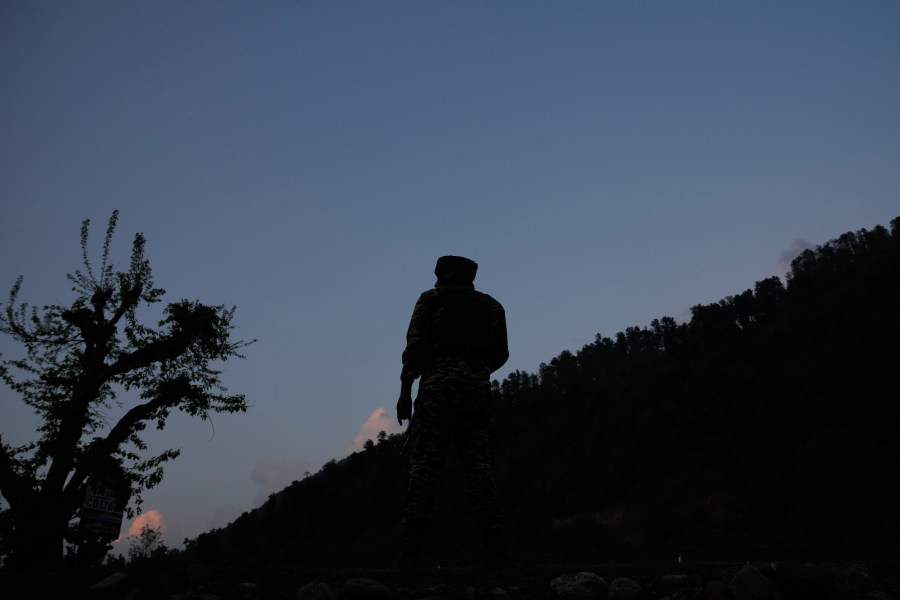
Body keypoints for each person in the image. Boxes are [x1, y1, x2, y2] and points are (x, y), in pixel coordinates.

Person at [396, 255, 509, 567]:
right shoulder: (493, 306)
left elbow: (415, 348)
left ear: (443, 275)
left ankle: (410, 552)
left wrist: (406, 392)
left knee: (424, 468)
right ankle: (497, 551)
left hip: (437, 392)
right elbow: (501, 353)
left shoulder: (430, 299)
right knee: (481, 469)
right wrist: (475, 369)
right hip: (477, 393)